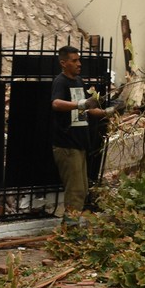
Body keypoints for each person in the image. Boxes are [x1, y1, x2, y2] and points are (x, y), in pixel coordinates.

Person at [50, 45, 107, 217]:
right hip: (67, 144)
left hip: (79, 144)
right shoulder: (61, 82)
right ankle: (70, 233)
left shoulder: (79, 81)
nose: (79, 64)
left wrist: (107, 112)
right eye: (74, 61)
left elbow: (86, 110)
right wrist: (81, 104)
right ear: (63, 63)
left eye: (79, 60)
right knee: (75, 191)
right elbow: (56, 103)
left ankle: (72, 230)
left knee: (81, 188)